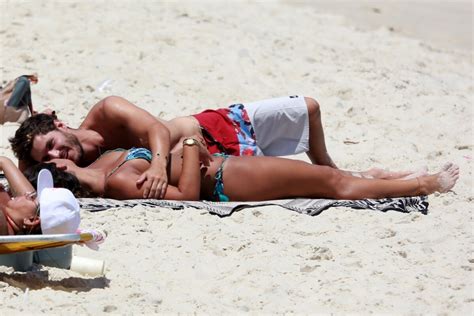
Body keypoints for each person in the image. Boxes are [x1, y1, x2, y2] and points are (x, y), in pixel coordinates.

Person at [9, 95, 413, 199]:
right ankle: (367, 179)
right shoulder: (90, 164)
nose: (58, 156)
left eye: (55, 146)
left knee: (307, 109)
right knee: (315, 183)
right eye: (50, 159)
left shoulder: (106, 112)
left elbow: (153, 130)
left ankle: (353, 172)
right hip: (212, 164)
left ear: (60, 124)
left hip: (215, 130)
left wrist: (161, 161)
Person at [26, 139, 459, 203]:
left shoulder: (101, 166)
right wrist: (192, 147)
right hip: (225, 179)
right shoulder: (116, 181)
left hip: (226, 168)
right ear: (65, 172)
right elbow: (187, 200)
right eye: (52, 162)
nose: (55, 157)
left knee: (323, 179)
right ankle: (424, 184)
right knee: (330, 183)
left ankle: (389, 177)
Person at [0, 156, 80, 235]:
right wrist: (5, 161)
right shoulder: (12, 220)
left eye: (31, 198)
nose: (26, 194)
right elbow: (3, 161)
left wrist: (5, 162)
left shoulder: (2, 223)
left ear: (31, 221)